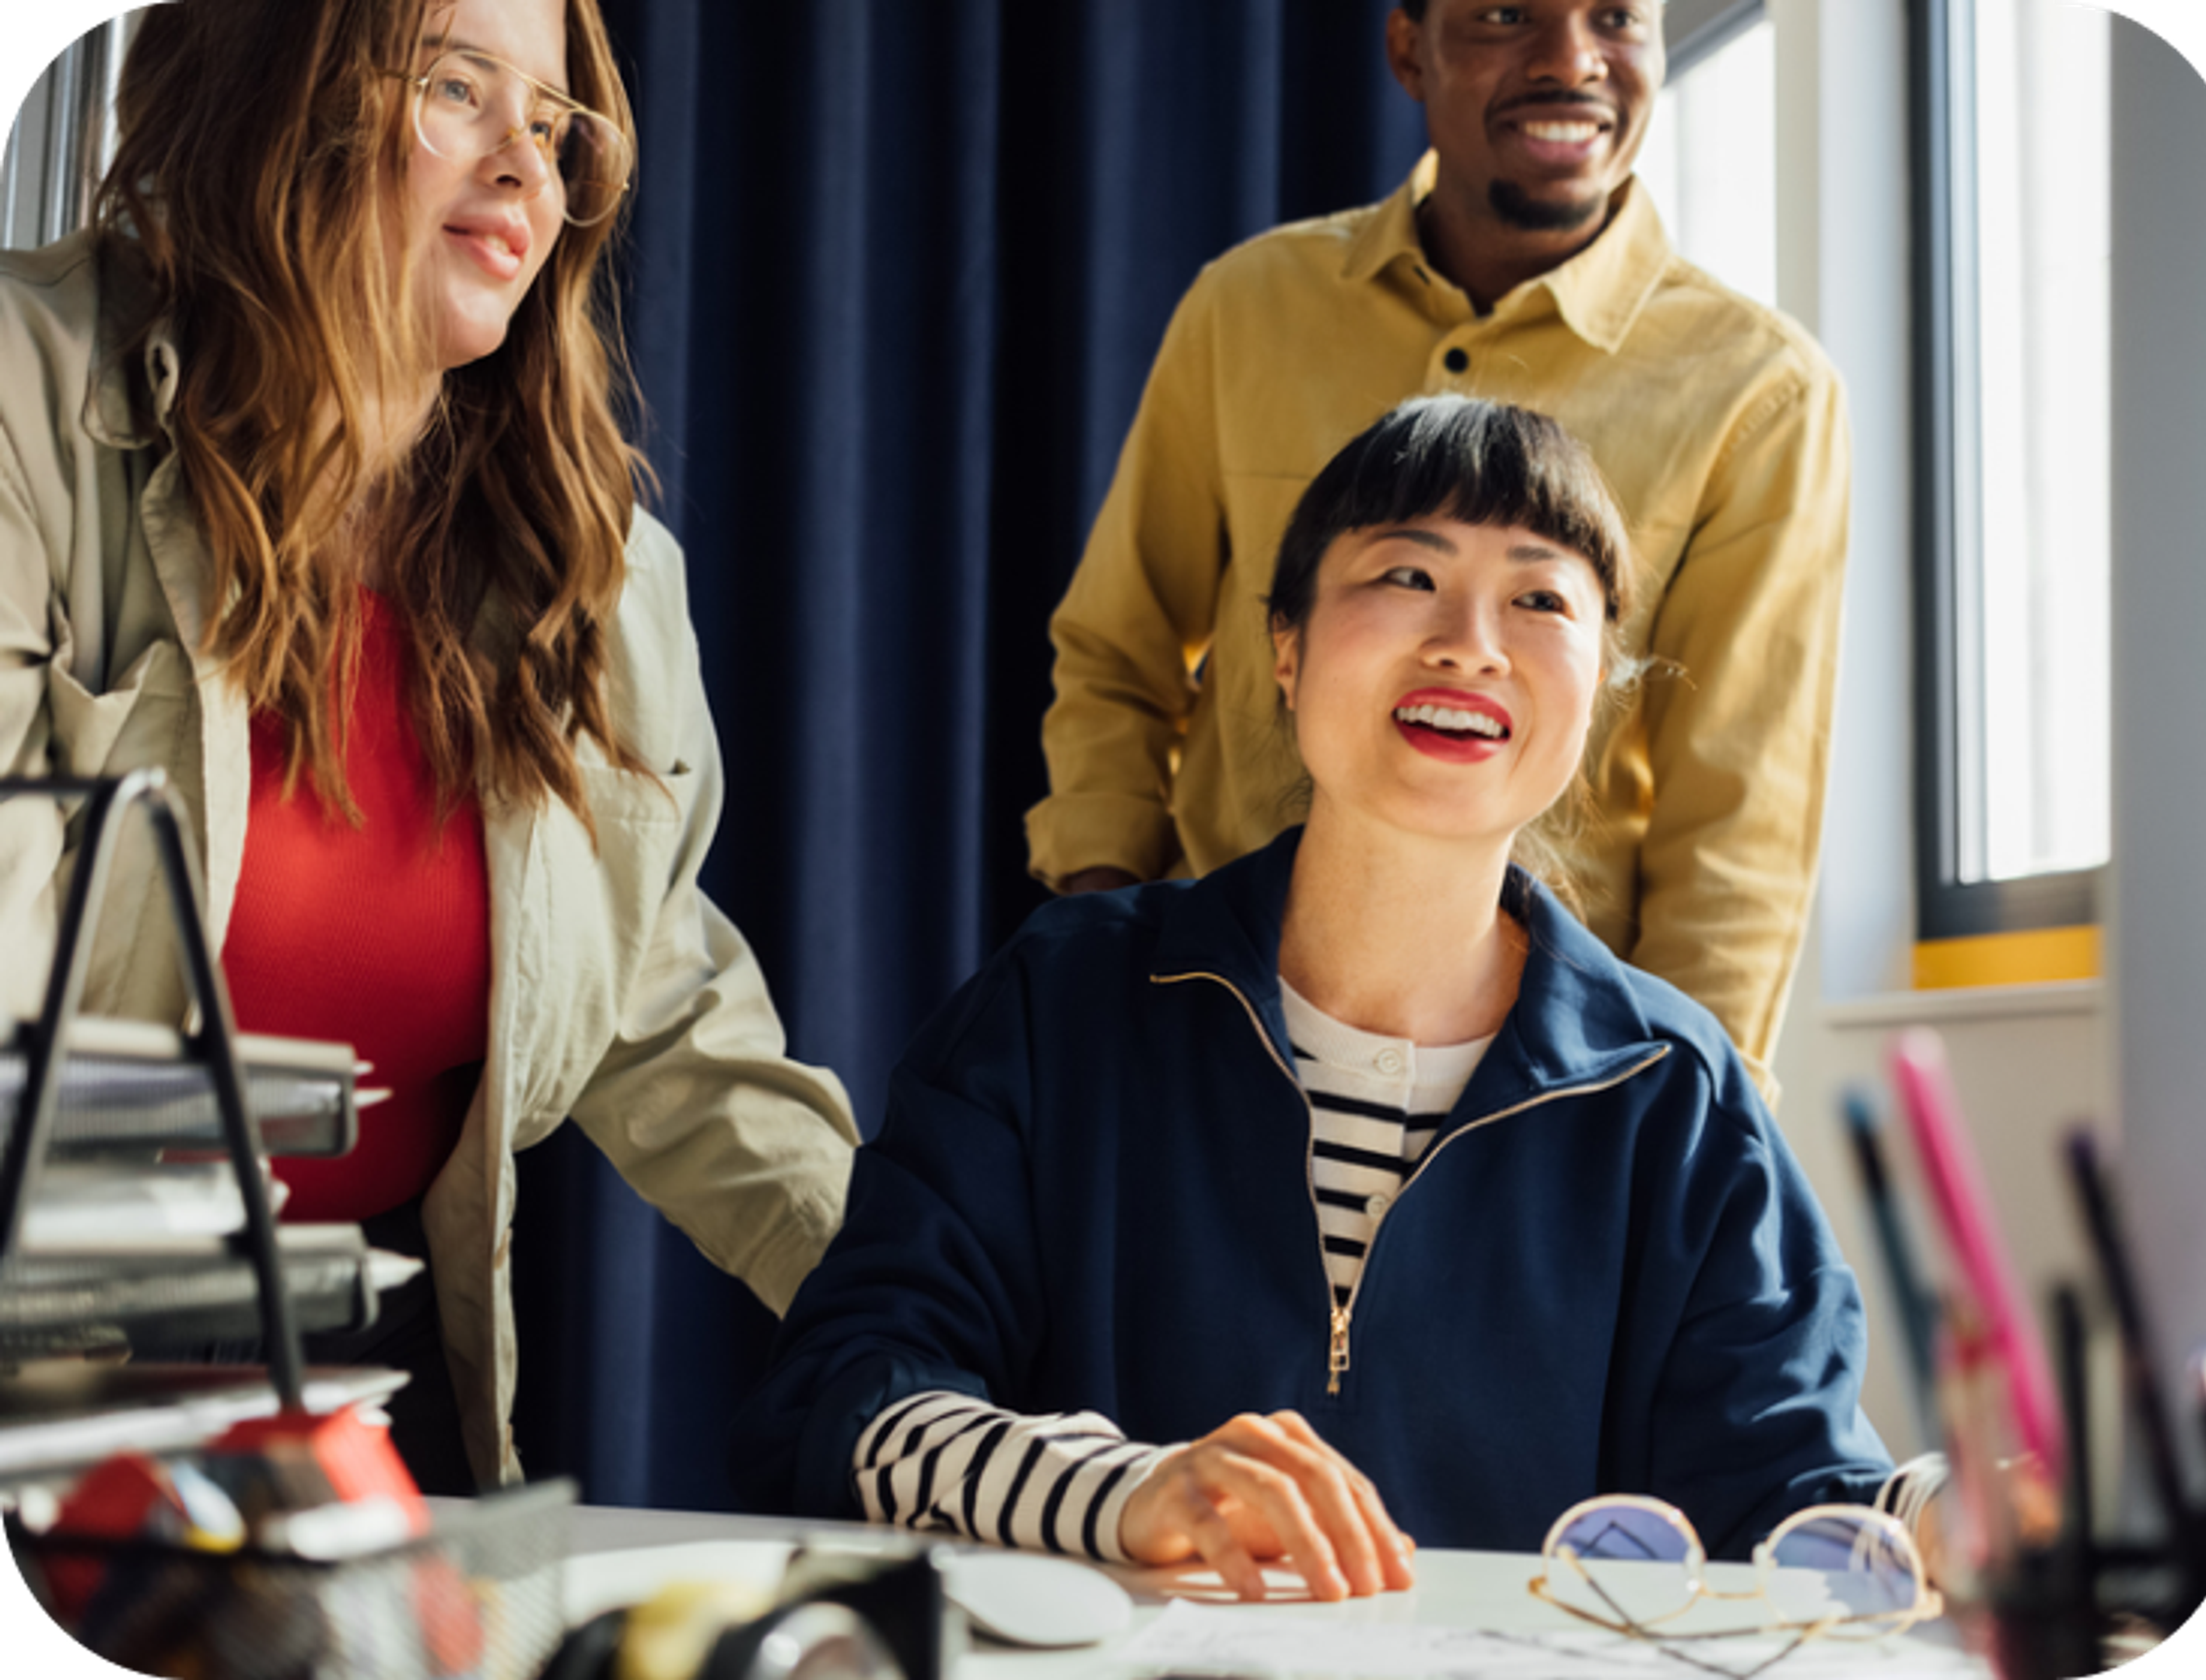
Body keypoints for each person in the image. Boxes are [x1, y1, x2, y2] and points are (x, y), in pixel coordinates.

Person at [731, 396, 1909, 1599]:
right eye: (1407, 574)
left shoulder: (1678, 1094)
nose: (1472, 642)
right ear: (1283, 647)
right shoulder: (1061, 1003)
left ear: (1601, 685)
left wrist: (1949, 1512)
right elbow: (840, 1400)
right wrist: (1121, 1493)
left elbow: (1800, 1500)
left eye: (1541, 598)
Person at [0, 0, 857, 1492]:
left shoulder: (605, 576)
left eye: (556, 121)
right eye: (460, 88)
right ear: (279, 82)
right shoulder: (24, 391)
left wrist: (943, 1344)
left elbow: (662, 1017)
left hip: (354, 1381)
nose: (527, 167)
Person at [1028, 0, 1849, 1097]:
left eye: (1616, 17)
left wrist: (1672, 1133)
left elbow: (1739, 825)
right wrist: (1104, 954)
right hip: (1202, 1023)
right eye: (1509, 14)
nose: (1571, 62)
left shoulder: (1761, 394)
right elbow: (1118, 656)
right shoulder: (1248, 310)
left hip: (1535, 1076)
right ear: (1409, 46)